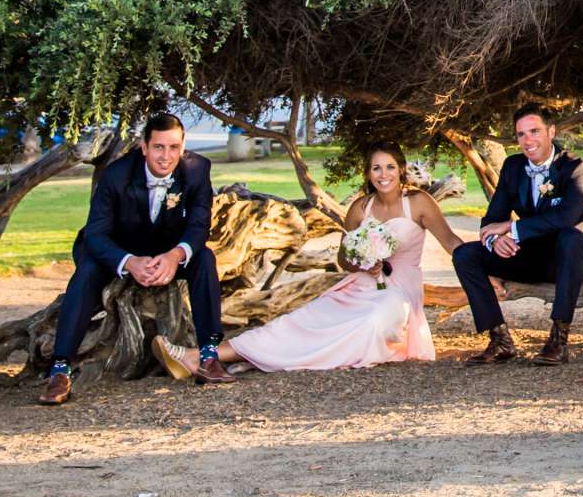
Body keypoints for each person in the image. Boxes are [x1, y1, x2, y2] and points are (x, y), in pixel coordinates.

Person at [154, 144, 456, 377]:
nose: (383, 174)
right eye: (376, 168)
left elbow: (451, 242)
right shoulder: (360, 208)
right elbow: (343, 259)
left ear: (401, 169)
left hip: (399, 294)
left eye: (390, 167)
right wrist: (363, 261)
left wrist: (482, 268)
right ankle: (203, 357)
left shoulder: (418, 203)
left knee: (370, 323)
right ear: (367, 173)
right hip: (359, 286)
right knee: (299, 322)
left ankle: (240, 357)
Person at [37, 111, 226, 405]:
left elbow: (200, 225)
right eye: (159, 147)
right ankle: (60, 370)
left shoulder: (197, 170)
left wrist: (175, 256)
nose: (166, 156)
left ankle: (209, 356)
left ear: (183, 145)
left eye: (174, 147)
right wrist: (129, 262)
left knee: (205, 260)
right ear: (144, 147)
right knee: (86, 273)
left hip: (166, 251)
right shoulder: (116, 174)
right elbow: (96, 234)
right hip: (115, 250)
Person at [450, 105, 583, 365]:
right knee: (465, 254)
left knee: (569, 237)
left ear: (551, 132)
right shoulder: (513, 167)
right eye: (521, 134)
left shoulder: (576, 168)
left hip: (571, 260)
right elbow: (491, 219)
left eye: (534, 131)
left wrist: (512, 228)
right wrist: (495, 240)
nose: (527, 140)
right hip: (532, 257)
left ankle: (558, 340)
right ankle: (500, 340)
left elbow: (567, 217)